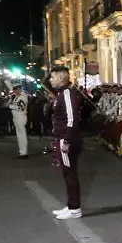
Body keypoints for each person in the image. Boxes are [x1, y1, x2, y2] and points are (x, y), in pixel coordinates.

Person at [50, 66, 85, 220]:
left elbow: (71, 119)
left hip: (66, 139)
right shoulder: (61, 93)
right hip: (62, 137)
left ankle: (75, 208)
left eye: (53, 77)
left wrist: (67, 140)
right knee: (67, 173)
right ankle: (71, 205)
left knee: (70, 174)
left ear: (60, 78)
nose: (51, 80)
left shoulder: (66, 94)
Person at [11, 84, 29, 158]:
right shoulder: (17, 96)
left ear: (19, 89)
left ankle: (24, 152)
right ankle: (22, 152)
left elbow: (21, 107)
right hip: (16, 117)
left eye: (15, 89)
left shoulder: (23, 96)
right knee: (19, 136)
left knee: (22, 135)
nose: (14, 91)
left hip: (20, 116)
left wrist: (10, 106)